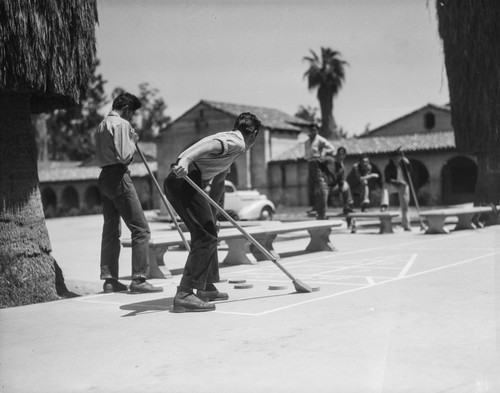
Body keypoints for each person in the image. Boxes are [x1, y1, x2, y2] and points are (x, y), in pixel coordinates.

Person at [164, 112, 262, 313]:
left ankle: (205, 287)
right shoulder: (237, 141)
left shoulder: (233, 150)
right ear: (254, 133)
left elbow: (219, 182)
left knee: (209, 230)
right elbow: (212, 145)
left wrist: (213, 214)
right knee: (206, 235)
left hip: (183, 181)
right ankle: (184, 294)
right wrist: (186, 159)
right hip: (185, 177)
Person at [95, 93, 163, 294]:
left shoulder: (101, 125)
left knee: (110, 230)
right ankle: (139, 279)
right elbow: (125, 156)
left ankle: (109, 279)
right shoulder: (122, 124)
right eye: (132, 113)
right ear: (126, 109)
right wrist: (132, 141)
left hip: (104, 177)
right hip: (118, 176)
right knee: (141, 229)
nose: (132, 117)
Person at [309, 146, 354, 220]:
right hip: (324, 186)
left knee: (346, 185)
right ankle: (321, 217)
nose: (340, 156)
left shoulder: (342, 169)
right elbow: (315, 161)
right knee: (323, 195)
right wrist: (319, 177)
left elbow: (341, 182)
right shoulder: (329, 160)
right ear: (336, 154)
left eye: (342, 155)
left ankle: (347, 206)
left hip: (333, 188)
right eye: (339, 154)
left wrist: (342, 184)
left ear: (344, 156)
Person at [305, 123, 335, 217]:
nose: (313, 132)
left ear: (317, 130)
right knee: (311, 186)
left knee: (319, 185)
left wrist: (323, 153)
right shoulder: (306, 141)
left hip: (317, 163)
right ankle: (314, 206)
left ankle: (320, 208)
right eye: (311, 130)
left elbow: (331, 148)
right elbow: (306, 153)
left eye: (315, 130)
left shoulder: (320, 140)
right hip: (310, 162)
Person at [384, 150, 412, 231]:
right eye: (395, 159)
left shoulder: (404, 165)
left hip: (403, 186)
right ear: (392, 159)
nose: (396, 161)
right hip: (393, 185)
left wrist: (408, 163)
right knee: (384, 188)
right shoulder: (389, 167)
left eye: (398, 159)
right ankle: (384, 205)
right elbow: (387, 179)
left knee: (405, 206)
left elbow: (410, 171)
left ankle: (406, 225)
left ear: (401, 158)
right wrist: (397, 182)